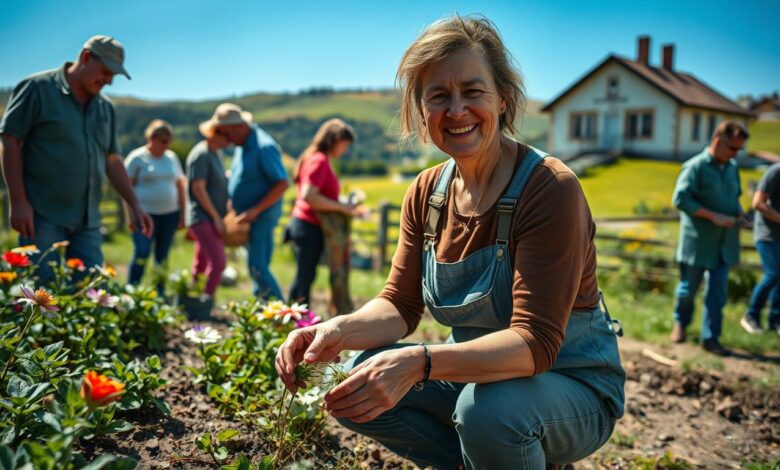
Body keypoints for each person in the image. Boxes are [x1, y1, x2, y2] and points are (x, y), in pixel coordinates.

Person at [276, 15, 625, 469]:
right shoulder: (427, 192)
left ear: (503, 99)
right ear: (422, 113)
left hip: (572, 387)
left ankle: (510, 448)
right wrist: (336, 331)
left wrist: (419, 364)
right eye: (438, 96)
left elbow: (536, 344)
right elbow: (399, 306)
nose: (456, 110)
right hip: (478, 381)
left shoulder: (549, 188)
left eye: (472, 91)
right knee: (350, 374)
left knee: (489, 414)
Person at [0, 35, 152, 276]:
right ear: (86, 57)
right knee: (41, 293)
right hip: (42, 214)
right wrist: (18, 201)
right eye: (105, 71)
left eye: (113, 76)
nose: (109, 81)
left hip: (89, 220)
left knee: (89, 294)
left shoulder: (106, 108)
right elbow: (10, 141)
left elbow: (113, 160)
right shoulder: (38, 89)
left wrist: (135, 204)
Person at [671, 120, 750, 355]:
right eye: (733, 148)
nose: (736, 153)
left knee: (717, 292)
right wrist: (712, 216)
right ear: (717, 141)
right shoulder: (695, 167)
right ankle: (681, 324)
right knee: (688, 290)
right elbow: (681, 199)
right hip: (698, 242)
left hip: (725, 242)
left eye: (739, 149)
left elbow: (734, 198)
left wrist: (740, 213)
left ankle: (710, 338)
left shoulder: (732, 167)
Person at [211, 103, 289, 300]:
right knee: (256, 267)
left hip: (260, 218)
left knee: (258, 267)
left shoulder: (264, 147)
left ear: (239, 126)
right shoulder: (242, 145)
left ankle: (281, 314)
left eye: (227, 133)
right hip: (247, 218)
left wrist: (255, 210)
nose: (225, 139)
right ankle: (262, 309)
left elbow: (281, 183)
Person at [288, 118, 359, 308]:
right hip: (308, 226)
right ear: (334, 140)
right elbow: (309, 196)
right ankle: (297, 320)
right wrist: (341, 207)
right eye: (344, 145)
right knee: (305, 276)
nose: (344, 150)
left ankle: (296, 317)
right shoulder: (319, 160)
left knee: (306, 275)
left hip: (306, 225)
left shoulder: (315, 158)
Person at [124, 119, 186, 291]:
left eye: (169, 142)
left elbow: (180, 186)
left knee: (162, 256)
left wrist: (182, 214)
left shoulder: (171, 158)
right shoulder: (137, 158)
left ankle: (160, 294)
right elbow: (126, 189)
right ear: (152, 138)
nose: (166, 145)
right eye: (163, 141)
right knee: (142, 253)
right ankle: (132, 290)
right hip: (144, 215)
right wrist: (130, 216)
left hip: (169, 215)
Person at [186, 119, 230, 298]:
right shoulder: (201, 155)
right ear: (215, 134)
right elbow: (198, 188)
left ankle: (191, 296)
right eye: (226, 135)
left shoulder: (215, 154)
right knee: (219, 262)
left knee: (201, 262)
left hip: (209, 217)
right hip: (203, 217)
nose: (230, 140)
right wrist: (216, 217)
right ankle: (206, 298)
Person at [744, 162, 780, 335]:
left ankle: (775, 321)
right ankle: (751, 315)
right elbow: (758, 203)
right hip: (766, 234)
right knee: (772, 274)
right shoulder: (776, 171)